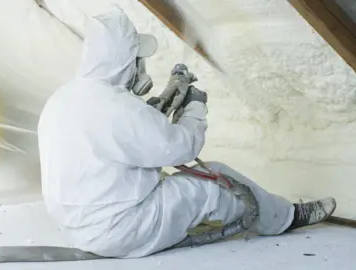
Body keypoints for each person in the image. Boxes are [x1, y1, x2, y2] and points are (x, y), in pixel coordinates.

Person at [37, 7, 337, 258]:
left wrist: (153, 112)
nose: (140, 67)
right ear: (125, 60)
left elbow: (117, 142)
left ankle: (279, 215)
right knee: (218, 179)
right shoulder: (118, 107)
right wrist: (194, 109)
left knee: (185, 185)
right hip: (123, 229)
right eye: (137, 59)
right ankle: (286, 218)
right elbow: (181, 148)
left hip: (78, 228)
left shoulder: (63, 99)